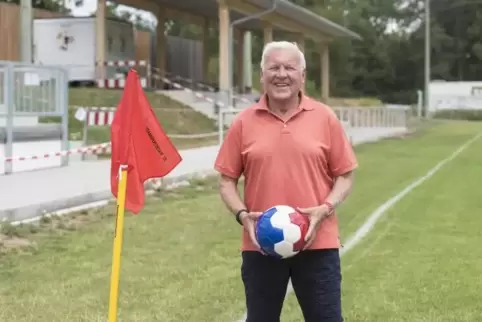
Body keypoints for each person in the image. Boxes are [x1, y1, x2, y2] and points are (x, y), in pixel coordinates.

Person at [214, 41, 358, 322]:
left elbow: (346, 174)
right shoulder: (243, 122)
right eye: (274, 67)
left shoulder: (324, 117)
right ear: (262, 76)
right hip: (261, 245)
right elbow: (226, 181)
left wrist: (325, 207)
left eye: (290, 67)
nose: (281, 74)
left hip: (319, 244)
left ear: (302, 76)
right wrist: (243, 215)